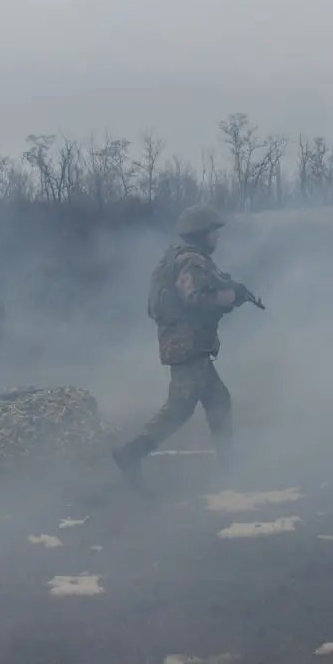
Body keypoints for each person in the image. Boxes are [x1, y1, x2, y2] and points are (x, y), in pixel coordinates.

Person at [112, 204, 256, 487]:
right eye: (213, 232)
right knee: (178, 409)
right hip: (187, 345)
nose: (217, 237)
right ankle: (131, 454)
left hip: (189, 345)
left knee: (218, 401)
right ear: (202, 233)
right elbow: (194, 298)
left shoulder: (178, 258)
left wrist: (231, 289)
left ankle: (229, 464)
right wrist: (228, 299)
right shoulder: (192, 261)